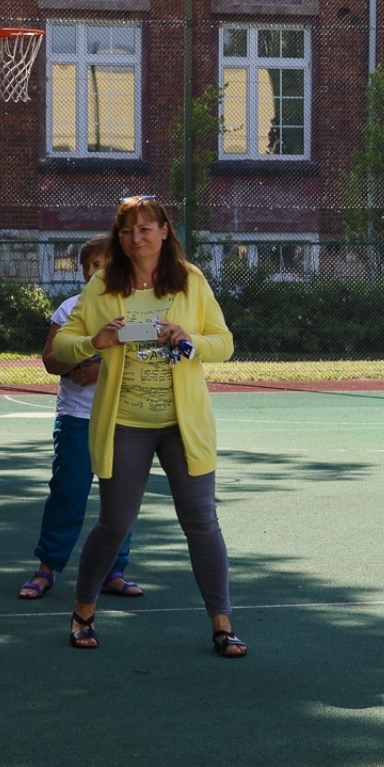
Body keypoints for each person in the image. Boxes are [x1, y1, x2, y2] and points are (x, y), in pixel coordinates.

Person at [53, 195, 246, 658]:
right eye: (126, 231)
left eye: (145, 229)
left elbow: (224, 343)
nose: (136, 238)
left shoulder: (190, 281)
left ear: (164, 232)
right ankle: (83, 610)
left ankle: (222, 625)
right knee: (115, 523)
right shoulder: (103, 284)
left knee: (202, 520)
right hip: (125, 424)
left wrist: (190, 340)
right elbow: (62, 345)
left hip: (184, 425)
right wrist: (93, 341)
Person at [17, 235, 139, 600]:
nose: (90, 272)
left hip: (122, 418)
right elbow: (52, 360)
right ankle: (47, 568)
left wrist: (99, 371)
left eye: (98, 265)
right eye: (85, 265)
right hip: (77, 418)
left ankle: (114, 570)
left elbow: (140, 359)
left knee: (120, 499)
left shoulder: (131, 309)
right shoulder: (70, 308)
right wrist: (80, 359)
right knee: (67, 491)